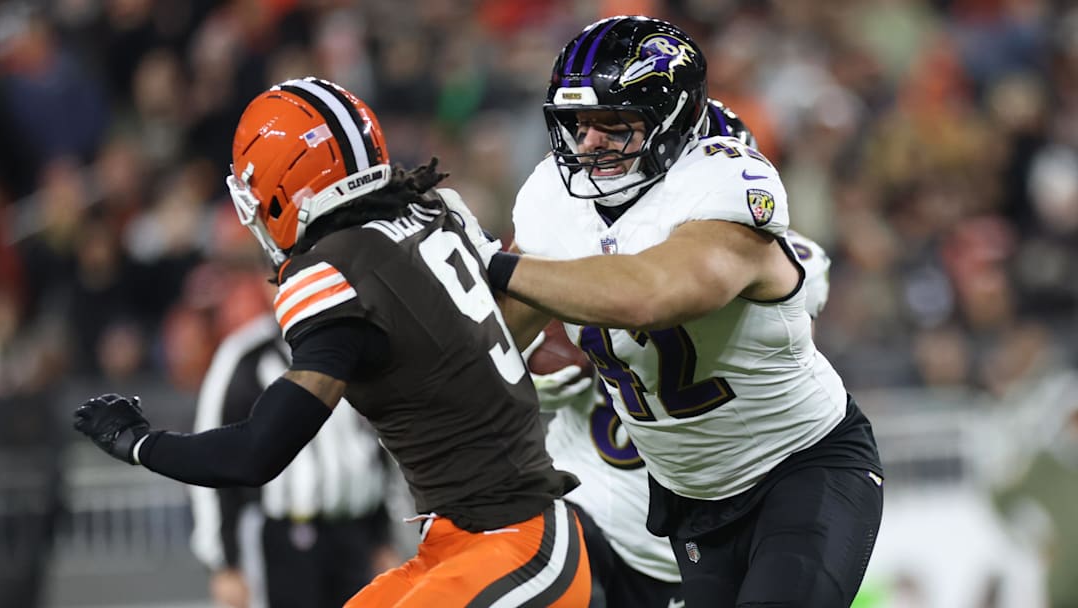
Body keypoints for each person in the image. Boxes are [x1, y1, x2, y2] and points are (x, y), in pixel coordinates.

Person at [73, 76, 590, 607]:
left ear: (282, 189)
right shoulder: (434, 212)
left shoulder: (333, 272)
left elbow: (256, 452)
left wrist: (140, 443)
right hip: (465, 540)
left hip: (513, 541)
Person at [455, 16, 884, 608]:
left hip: (800, 467)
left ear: (675, 122)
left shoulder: (727, 182)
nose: (589, 142)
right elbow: (488, 337)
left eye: (614, 124)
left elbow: (651, 297)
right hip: (691, 495)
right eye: (580, 123)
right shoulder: (554, 198)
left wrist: (489, 262)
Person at [525, 100, 835, 608]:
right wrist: (530, 360)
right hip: (587, 497)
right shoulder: (583, 230)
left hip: (695, 515)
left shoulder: (784, 258)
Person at [188, 309, 402, 608]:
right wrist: (223, 561)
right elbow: (212, 455)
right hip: (284, 536)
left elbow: (376, 442)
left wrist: (383, 537)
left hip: (354, 532)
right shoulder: (247, 355)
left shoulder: (356, 341)